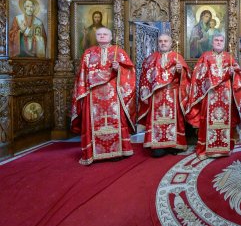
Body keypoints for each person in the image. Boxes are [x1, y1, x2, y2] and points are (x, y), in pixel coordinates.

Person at [71, 27, 136, 165]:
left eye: (105, 34)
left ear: (111, 37)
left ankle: (119, 151)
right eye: (99, 34)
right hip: (93, 95)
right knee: (93, 122)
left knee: (116, 121)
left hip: (113, 93)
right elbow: (82, 75)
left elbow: (130, 71)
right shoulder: (88, 53)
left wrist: (119, 69)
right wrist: (83, 91)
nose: (102, 36)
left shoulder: (119, 52)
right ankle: (94, 153)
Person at [186, 34, 241, 160]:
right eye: (216, 40)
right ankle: (205, 150)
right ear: (212, 43)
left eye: (221, 40)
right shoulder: (205, 56)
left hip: (226, 94)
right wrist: (218, 76)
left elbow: (237, 74)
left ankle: (223, 148)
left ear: (224, 42)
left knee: (225, 120)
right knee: (207, 119)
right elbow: (198, 75)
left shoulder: (229, 57)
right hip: (210, 94)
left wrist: (235, 72)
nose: (218, 42)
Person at [138, 34, 191, 157]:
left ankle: (174, 144)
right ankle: (158, 145)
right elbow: (145, 78)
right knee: (158, 121)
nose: (163, 43)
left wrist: (180, 70)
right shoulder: (151, 58)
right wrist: (146, 94)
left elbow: (186, 78)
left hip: (172, 94)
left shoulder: (177, 57)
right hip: (156, 96)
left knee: (174, 119)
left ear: (171, 43)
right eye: (160, 41)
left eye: (165, 41)